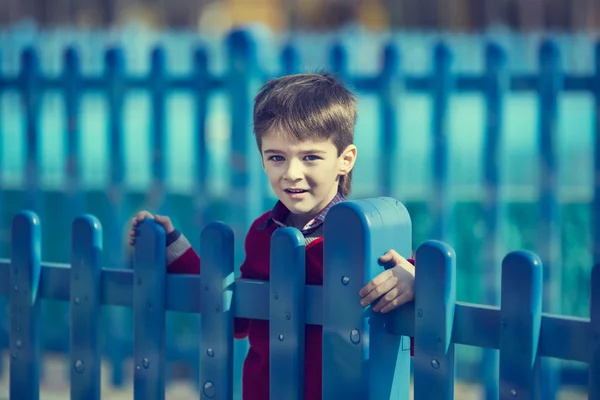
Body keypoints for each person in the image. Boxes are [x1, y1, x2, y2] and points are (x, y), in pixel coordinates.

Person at [129, 73, 415, 399]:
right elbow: (235, 309)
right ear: (262, 159)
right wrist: (172, 246)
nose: (291, 173)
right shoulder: (263, 233)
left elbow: (416, 322)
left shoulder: (364, 238)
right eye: (277, 157)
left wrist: (415, 281)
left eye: (310, 157)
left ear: (345, 160)